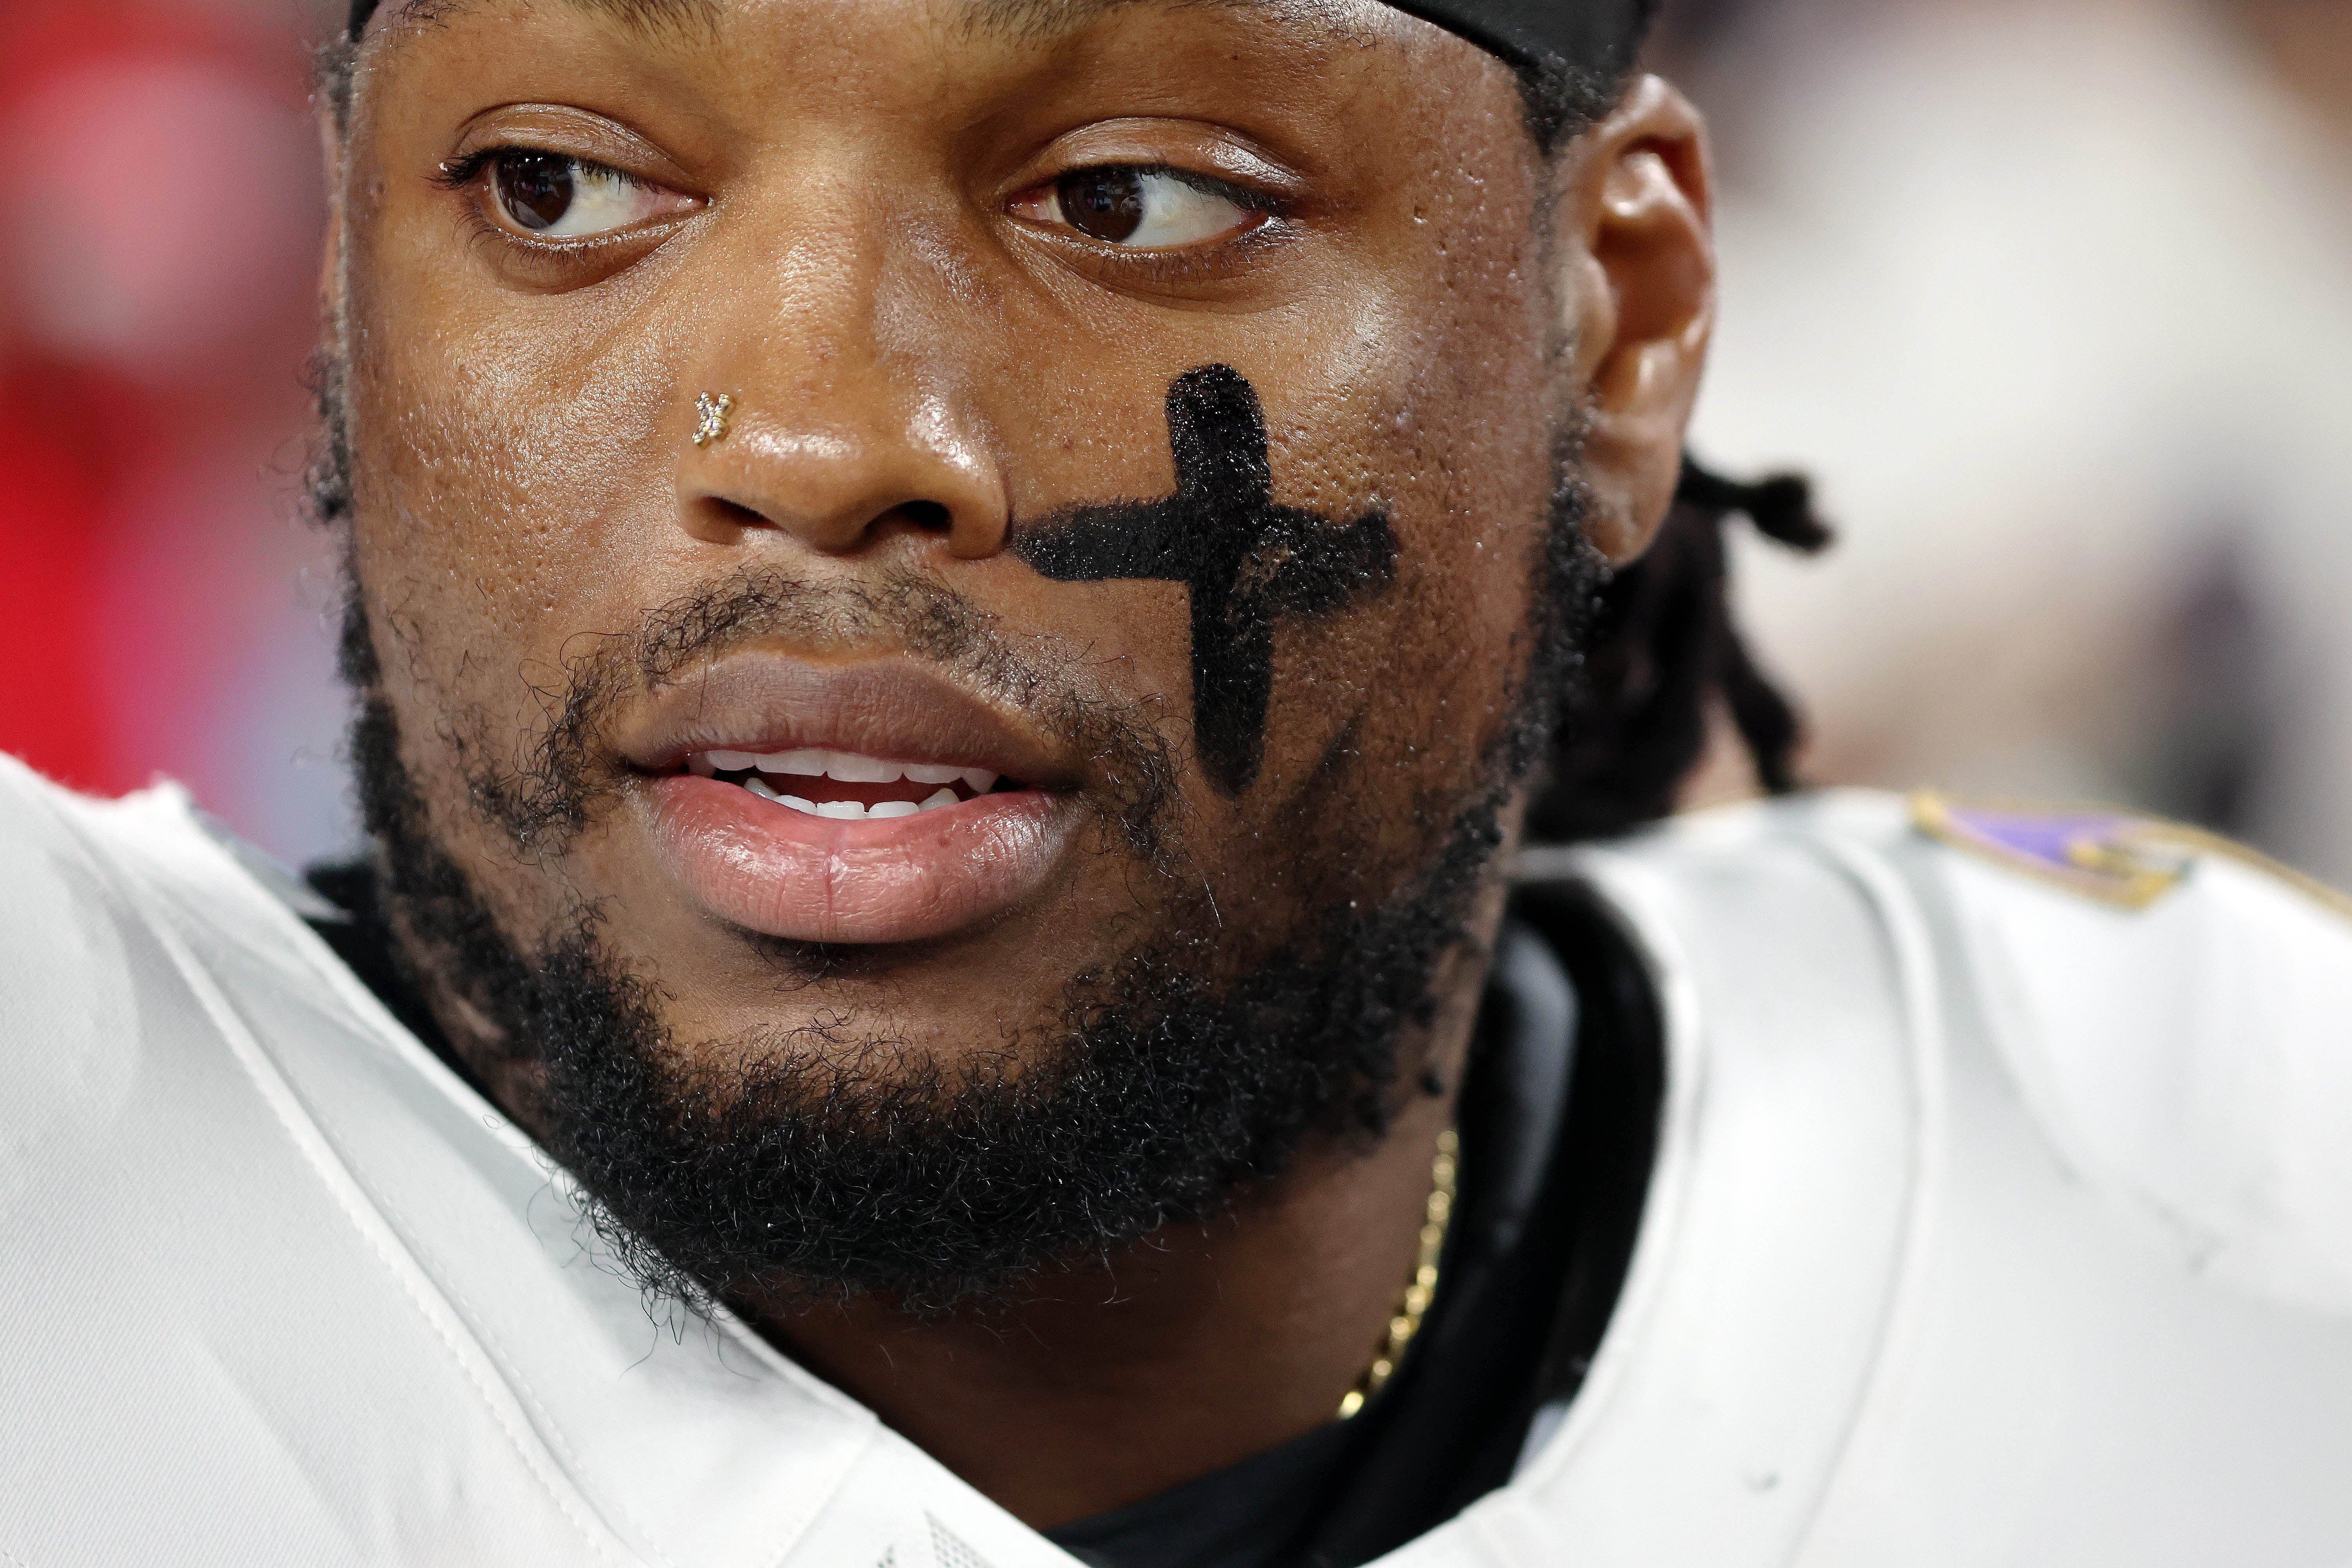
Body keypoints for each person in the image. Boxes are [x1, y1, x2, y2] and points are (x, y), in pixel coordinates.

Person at [1, 1, 2347, 1564]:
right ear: (339, 288)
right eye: (557, 191)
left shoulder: (2187, 1190)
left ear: (1613, 329)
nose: (819, 442)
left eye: (1134, 202)